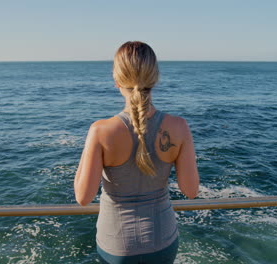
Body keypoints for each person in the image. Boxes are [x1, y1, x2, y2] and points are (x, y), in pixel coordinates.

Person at [74, 41, 200, 264]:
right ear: (155, 79)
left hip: (116, 246)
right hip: (163, 241)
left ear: (117, 81)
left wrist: (91, 143)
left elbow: (83, 198)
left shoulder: (101, 130)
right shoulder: (179, 127)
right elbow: (190, 190)